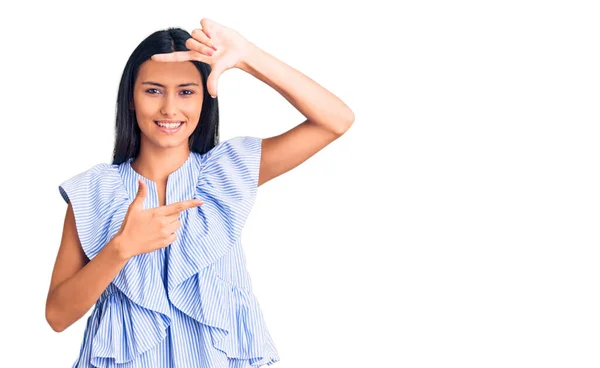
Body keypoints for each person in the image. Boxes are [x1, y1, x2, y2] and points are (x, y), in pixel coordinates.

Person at [45, 18, 354, 368]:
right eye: (153, 90)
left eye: (186, 92)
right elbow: (57, 315)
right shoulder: (93, 191)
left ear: (206, 98)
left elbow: (335, 120)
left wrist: (247, 56)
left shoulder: (227, 172)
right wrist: (122, 248)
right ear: (131, 98)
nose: (170, 109)